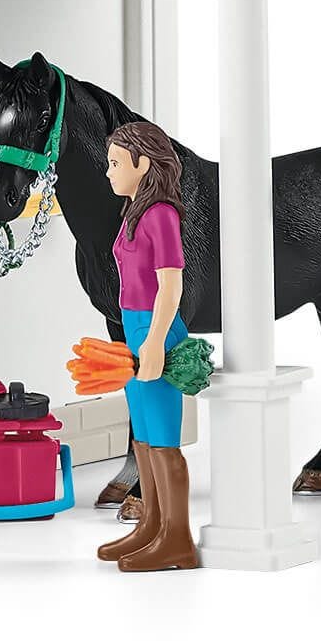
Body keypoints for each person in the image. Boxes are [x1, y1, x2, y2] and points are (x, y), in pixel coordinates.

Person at [97, 120, 199, 571]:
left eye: (116, 162)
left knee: (162, 439)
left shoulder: (161, 215)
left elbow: (171, 285)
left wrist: (156, 342)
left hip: (155, 332)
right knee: (142, 435)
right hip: (134, 330)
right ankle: (153, 525)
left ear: (142, 163)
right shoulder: (133, 213)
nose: (109, 172)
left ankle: (177, 539)